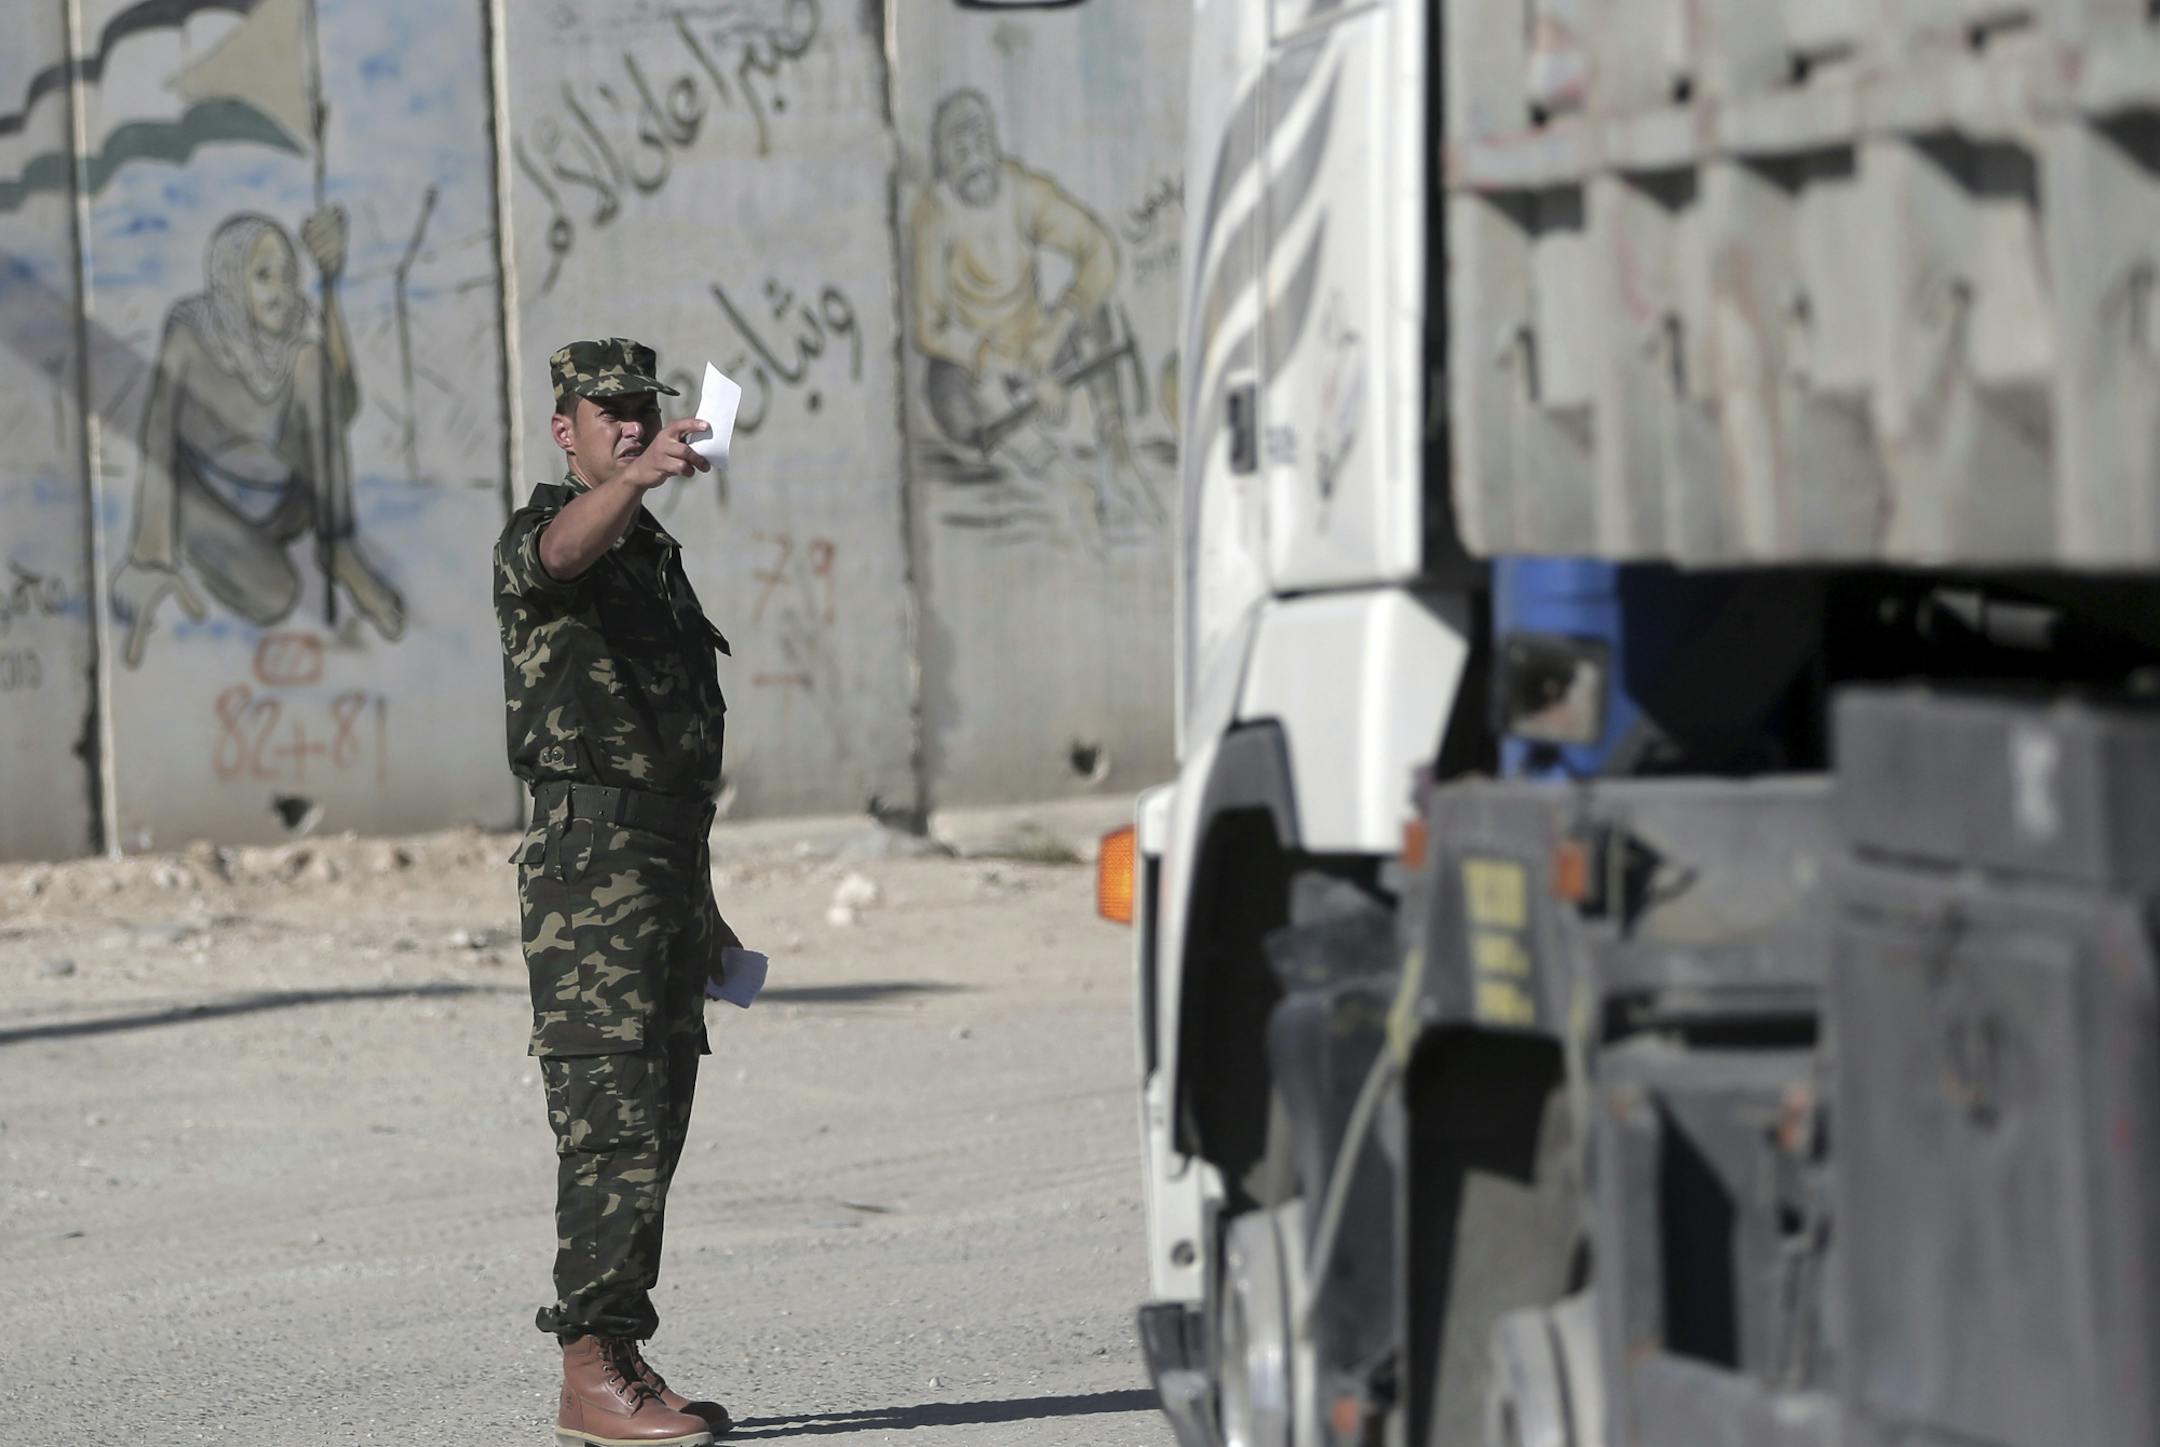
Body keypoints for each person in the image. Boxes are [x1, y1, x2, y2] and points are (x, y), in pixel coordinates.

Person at [493, 337, 738, 1447]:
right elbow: (555, 556)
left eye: (645, 412)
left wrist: (707, 900)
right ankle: (588, 1365)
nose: (634, 428)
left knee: (657, 1119)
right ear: (569, 430)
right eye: (611, 415)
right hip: (592, 876)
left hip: (663, 865)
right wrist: (632, 485)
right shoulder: (550, 531)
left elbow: (672, 745)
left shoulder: (653, 557)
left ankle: (621, 1355)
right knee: (610, 1124)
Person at [110, 207, 406, 667]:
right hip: (212, 502)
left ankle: (338, 545)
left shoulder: (293, 347)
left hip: (283, 503)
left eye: (289, 276)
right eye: (264, 275)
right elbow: (158, 439)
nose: (282, 292)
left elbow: (341, 406)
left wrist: (329, 285)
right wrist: (150, 556)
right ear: (230, 279)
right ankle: (196, 546)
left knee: (312, 361)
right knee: (274, 597)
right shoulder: (189, 339)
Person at [908, 88, 1134, 484]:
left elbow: (1100, 249)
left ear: (994, 140)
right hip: (979, 368)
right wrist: (1012, 370)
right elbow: (931, 329)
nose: (972, 153)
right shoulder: (934, 216)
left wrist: (1055, 329)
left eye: (978, 137)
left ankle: (1112, 432)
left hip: (1036, 347)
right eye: (957, 144)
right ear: (942, 158)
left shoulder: (1025, 193)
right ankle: (1034, 453)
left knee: (1095, 308)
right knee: (946, 386)